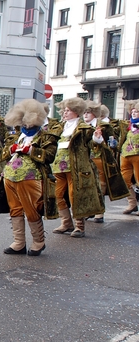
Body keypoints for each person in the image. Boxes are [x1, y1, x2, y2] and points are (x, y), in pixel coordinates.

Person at [0, 99, 58, 256]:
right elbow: (2, 154)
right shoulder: (16, 135)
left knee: (32, 210)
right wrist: (12, 149)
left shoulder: (46, 137)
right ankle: (19, 242)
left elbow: (49, 156)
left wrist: (31, 151)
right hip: (10, 177)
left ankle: (38, 241)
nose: (26, 123)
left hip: (31, 178)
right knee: (15, 210)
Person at [51, 97, 104, 238]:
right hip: (58, 167)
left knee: (75, 195)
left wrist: (97, 138)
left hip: (76, 168)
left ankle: (79, 226)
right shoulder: (59, 127)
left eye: (68, 110)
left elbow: (94, 145)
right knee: (57, 195)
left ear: (76, 111)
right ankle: (66, 223)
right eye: (64, 110)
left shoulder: (85, 128)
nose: (65, 113)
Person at [84, 100, 128, 223]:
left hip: (100, 157)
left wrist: (106, 142)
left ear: (94, 113)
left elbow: (113, 143)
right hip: (85, 158)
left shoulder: (105, 126)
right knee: (87, 185)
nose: (85, 115)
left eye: (88, 112)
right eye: (84, 112)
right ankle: (91, 210)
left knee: (100, 185)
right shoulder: (80, 126)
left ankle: (99, 212)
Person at [118, 100, 139, 215]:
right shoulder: (127, 125)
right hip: (125, 155)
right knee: (125, 181)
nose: (134, 113)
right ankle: (132, 204)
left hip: (138, 155)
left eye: (136, 111)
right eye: (132, 112)